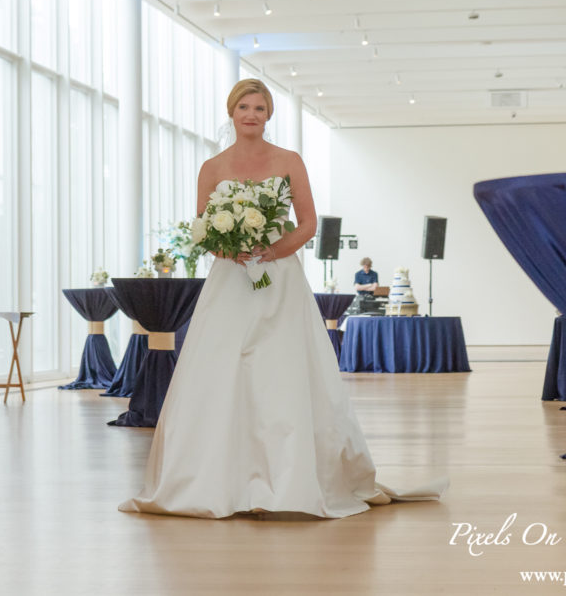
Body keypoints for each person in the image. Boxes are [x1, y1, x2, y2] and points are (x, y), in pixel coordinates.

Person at [119, 79, 446, 518]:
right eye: (243, 107)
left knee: (280, 369)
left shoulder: (289, 161)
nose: (251, 114)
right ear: (231, 112)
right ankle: (214, 480)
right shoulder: (212, 167)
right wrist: (232, 250)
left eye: (259, 107)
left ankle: (288, 478)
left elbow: (308, 223)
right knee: (221, 369)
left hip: (280, 277)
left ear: (269, 114)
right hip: (231, 280)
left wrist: (271, 252)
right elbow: (203, 230)